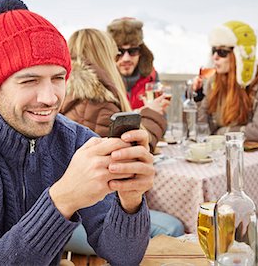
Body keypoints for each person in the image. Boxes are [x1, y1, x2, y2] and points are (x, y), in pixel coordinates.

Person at [0, 0, 153, 266]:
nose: (49, 98)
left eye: (58, 78)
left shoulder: (76, 142)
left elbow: (124, 255)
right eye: (30, 80)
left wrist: (130, 199)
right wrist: (63, 198)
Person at [61, 28, 185, 255]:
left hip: (61, 213)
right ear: (105, 56)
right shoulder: (100, 101)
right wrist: (153, 114)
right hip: (81, 218)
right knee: (172, 227)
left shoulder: (69, 93)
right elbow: (124, 161)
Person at [194, 20, 258, 142]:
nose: (215, 57)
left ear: (239, 56)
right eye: (213, 50)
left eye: (222, 52)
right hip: (223, 151)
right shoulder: (214, 82)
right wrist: (198, 98)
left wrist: (221, 132)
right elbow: (204, 130)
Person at [107, 17, 169, 114]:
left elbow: (161, 119)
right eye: (119, 51)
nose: (126, 58)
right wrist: (144, 112)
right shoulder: (102, 81)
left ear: (141, 52)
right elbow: (105, 123)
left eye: (133, 51)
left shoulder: (151, 77)